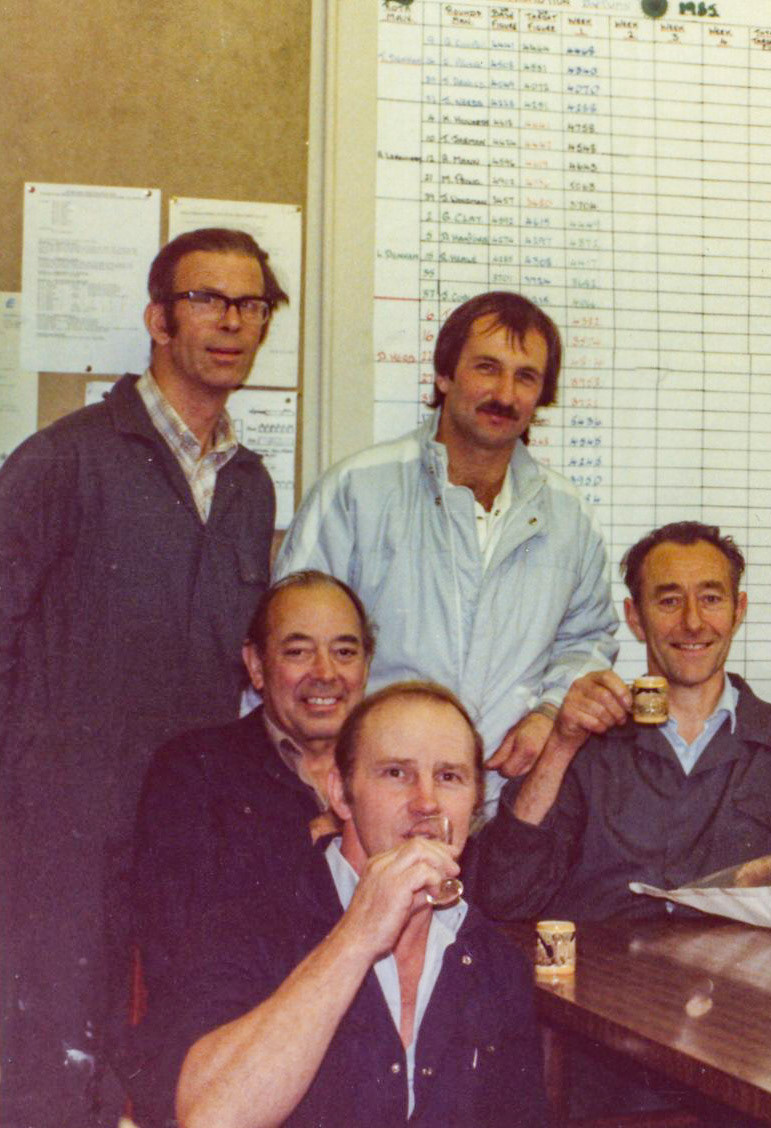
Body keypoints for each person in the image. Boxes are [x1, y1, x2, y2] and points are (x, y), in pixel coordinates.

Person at [0, 226, 285, 1125]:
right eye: (207, 299)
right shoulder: (64, 460)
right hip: (61, 832)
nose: (231, 322)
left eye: (252, 304)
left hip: (187, 835)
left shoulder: (252, 485)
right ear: (158, 318)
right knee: (46, 1061)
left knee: (166, 1057)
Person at [275, 291, 618, 805]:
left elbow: (588, 638)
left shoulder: (568, 516)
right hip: (373, 804)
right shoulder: (358, 491)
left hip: (509, 801)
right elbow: (290, 648)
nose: (505, 393)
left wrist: (549, 711)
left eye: (526, 377)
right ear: (444, 376)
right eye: (487, 368)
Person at [172, 682, 544, 1127]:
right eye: (396, 773)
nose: (426, 801)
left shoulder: (497, 964)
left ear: (474, 804)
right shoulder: (249, 924)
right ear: (341, 794)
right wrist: (356, 936)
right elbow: (209, 1119)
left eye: (449, 777)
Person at [467, 521, 771, 923]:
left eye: (712, 598)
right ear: (634, 617)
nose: (694, 622)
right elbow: (502, 895)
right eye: (669, 602)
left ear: (739, 611)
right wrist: (559, 744)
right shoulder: (585, 737)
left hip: (737, 982)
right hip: (602, 982)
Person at [121, 570, 374, 1125]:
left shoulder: (390, 777)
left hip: (361, 1039)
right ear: (257, 667)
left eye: (345, 651)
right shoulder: (193, 768)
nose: (325, 674)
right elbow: (182, 942)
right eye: (298, 652)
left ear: (367, 665)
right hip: (228, 1046)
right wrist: (309, 848)